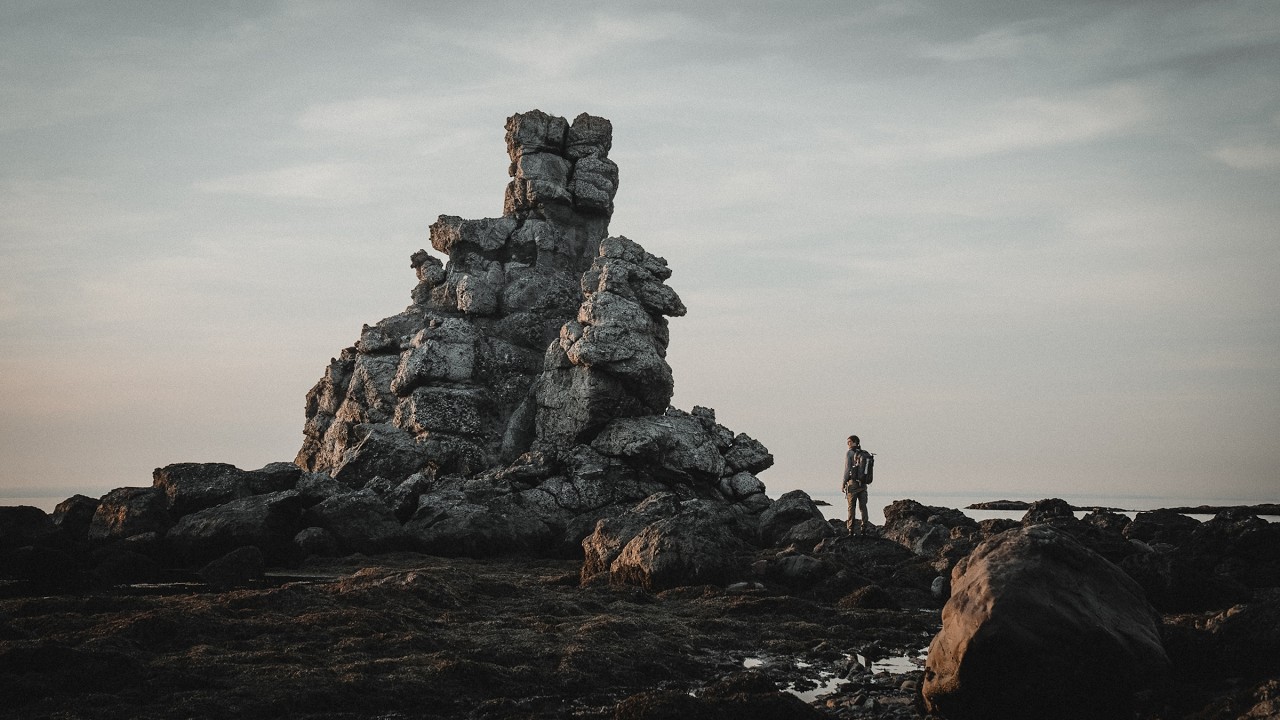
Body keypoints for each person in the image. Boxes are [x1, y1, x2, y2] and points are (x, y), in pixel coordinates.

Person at [842, 435, 871, 534]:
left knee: (851, 507)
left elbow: (847, 469)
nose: (848, 444)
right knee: (863, 507)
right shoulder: (864, 454)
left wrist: (843, 483)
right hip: (863, 484)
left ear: (855, 442)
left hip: (853, 484)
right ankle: (864, 528)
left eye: (849, 442)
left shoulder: (849, 453)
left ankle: (851, 530)